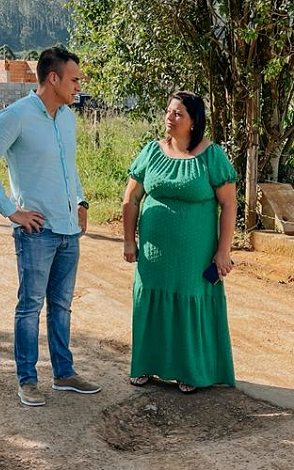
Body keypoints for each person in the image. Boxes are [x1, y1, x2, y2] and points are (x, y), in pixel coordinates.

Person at [0, 46, 101, 406]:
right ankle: (27, 380)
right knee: (30, 307)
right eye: (74, 79)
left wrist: (81, 201)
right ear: (53, 78)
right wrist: (11, 211)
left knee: (62, 306)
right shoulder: (17, 116)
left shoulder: (67, 118)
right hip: (37, 232)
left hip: (68, 230)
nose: (78, 86)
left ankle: (64, 374)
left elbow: (68, 167)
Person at [122, 90, 237, 393]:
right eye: (168, 111)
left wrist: (223, 250)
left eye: (178, 113)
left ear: (193, 121)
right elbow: (131, 198)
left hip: (194, 255)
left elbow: (229, 205)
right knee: (149, 301)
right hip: (153, 253)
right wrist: (129, 241)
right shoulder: (151, 151)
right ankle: (145, 365)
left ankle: (189, 370)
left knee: (189, 300)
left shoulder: (212, 156)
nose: (170, 118)